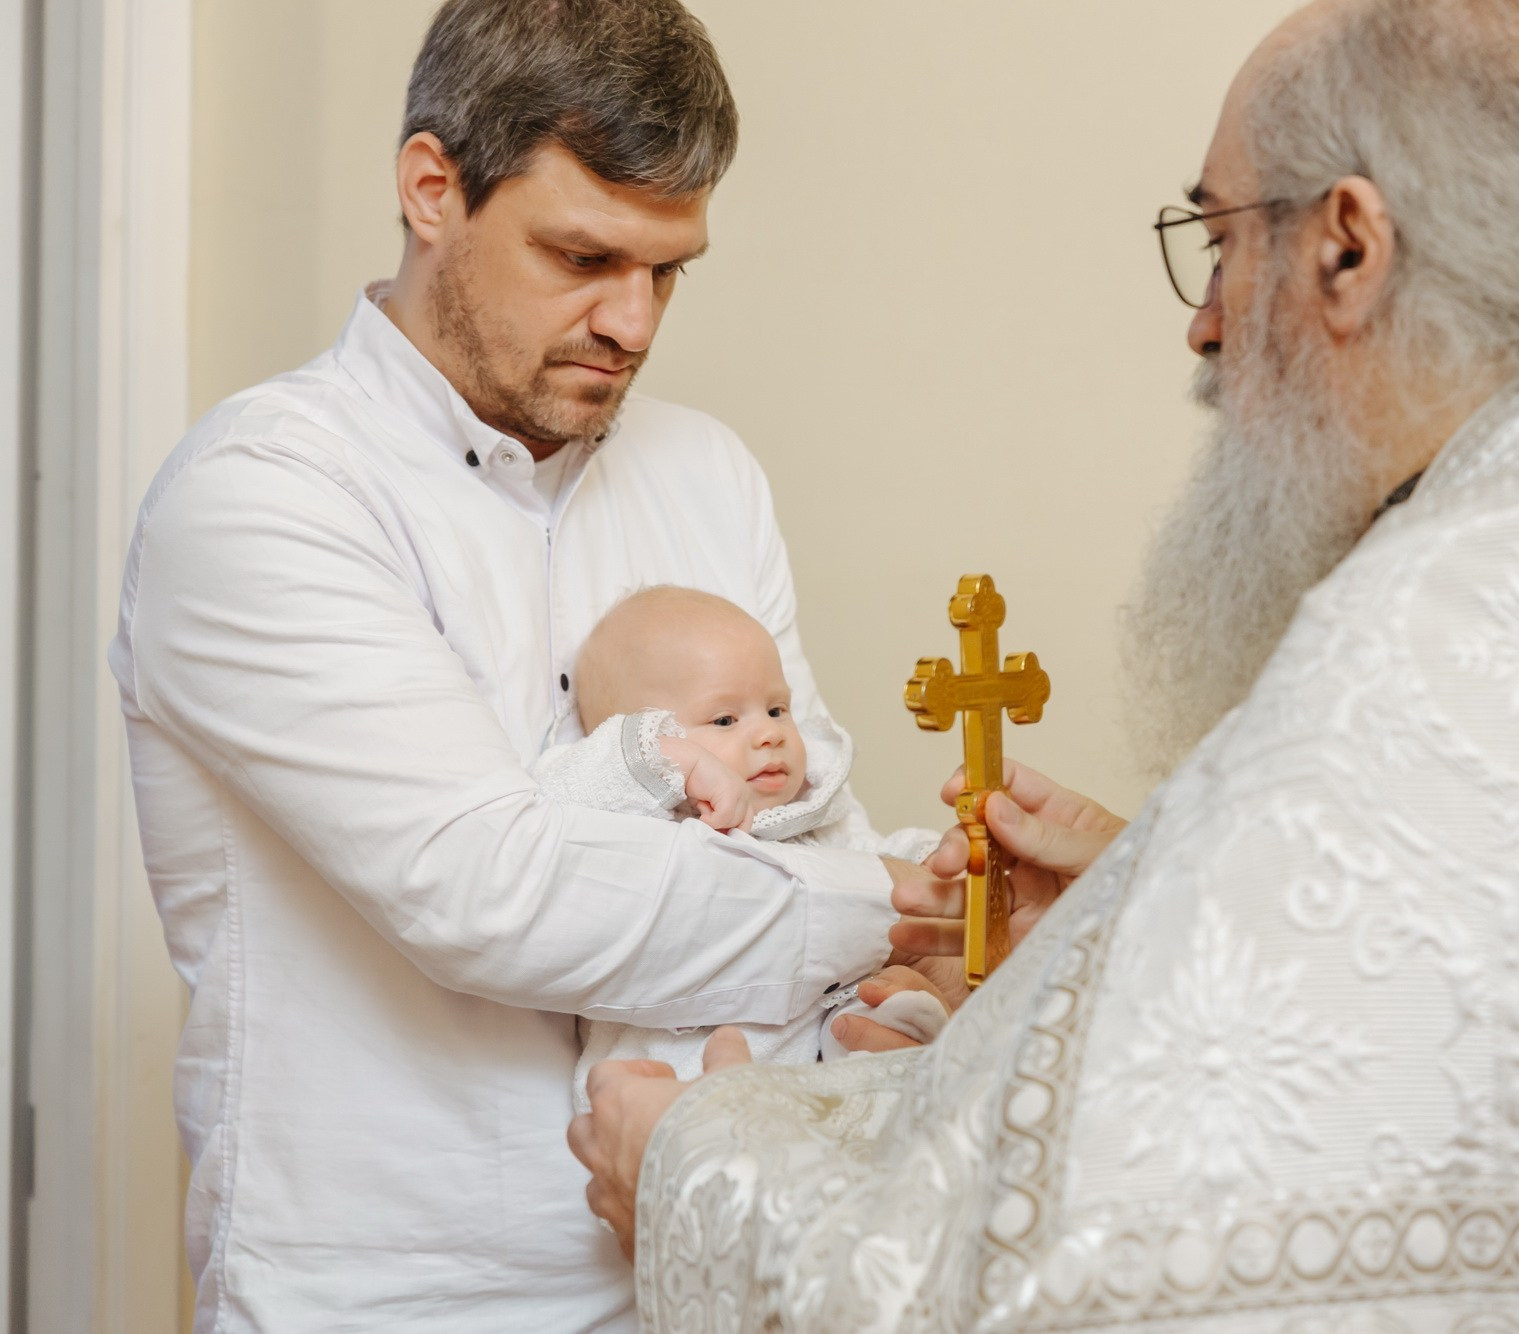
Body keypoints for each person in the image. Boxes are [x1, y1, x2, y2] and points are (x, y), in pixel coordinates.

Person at [571, 0, 1519, 1329]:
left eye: (1220, 237)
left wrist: (698, 1160)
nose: (1203, 318)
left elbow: (1079, 1281)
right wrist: (1153, 889)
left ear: (1348, 245)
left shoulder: (1415, 648)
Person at [109, 1, 947, 1328]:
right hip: (381, 1298)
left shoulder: (708, 475)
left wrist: (912, 946)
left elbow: (789, 804)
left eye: (671, 270)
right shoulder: (263, 494)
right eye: (584, 255)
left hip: (690, 1260)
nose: (634, 321)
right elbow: (492, 890)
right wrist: (889, 902)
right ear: (431, 186)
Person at [533, 586, 949, 1097]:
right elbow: (557, 800)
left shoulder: (808, 811)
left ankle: (883, 1043)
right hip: (679, 1074)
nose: (769, 733)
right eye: (726, 719)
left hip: (815, 1062)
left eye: (777, 709)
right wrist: (668, 765)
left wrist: (935, 860)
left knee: (880, 1005)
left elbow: (869, 856)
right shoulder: (641, 818)